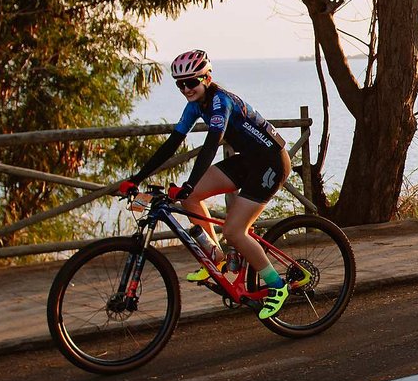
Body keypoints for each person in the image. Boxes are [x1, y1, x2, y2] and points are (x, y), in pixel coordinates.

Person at [118, 50, 295, 320]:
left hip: (271, 162)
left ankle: (277, 285)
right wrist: (136, 178)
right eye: (180, 84)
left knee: (235, 231)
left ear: (207, 78)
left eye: (191, 82)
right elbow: (171, 145)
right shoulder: (194, 106)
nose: (186, 89)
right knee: (190, 198)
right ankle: (217, 259)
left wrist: (188, 183)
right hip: (248, 160)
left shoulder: (221, 102)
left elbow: (211, 145)